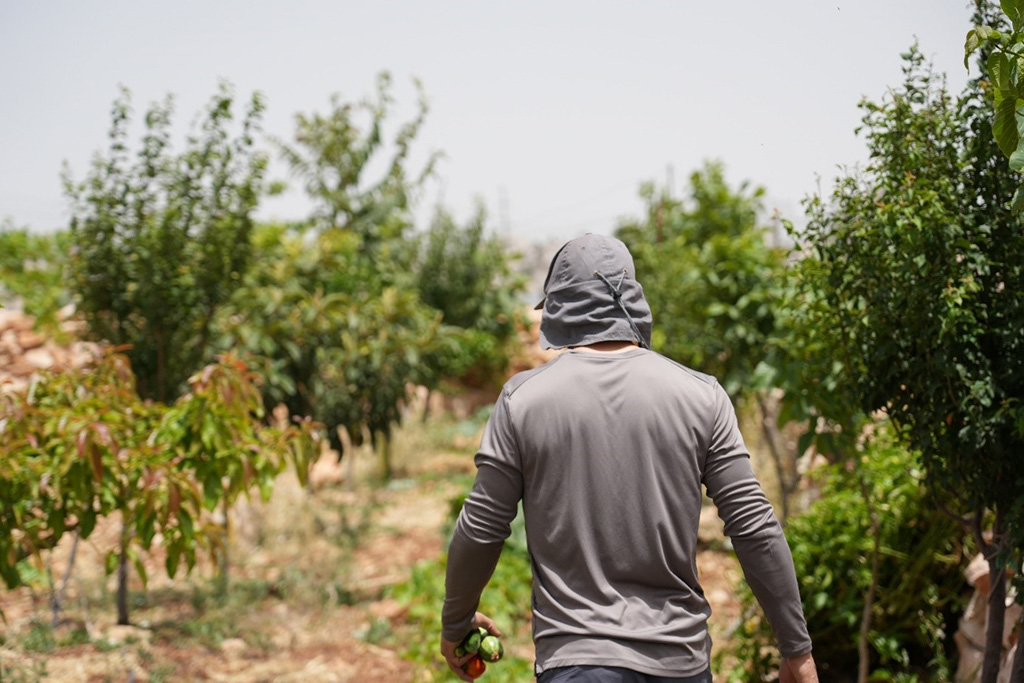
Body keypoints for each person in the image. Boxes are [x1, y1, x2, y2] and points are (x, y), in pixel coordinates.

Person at [441, 234, 817, 682]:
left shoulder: (523, 401)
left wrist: (456, 624)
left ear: (559, 310)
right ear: (632, 301)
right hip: (679, 663)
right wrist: (796, 649)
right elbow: (754, 525)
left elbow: (481, 529)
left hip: (577, 661)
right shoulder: (702, 397)